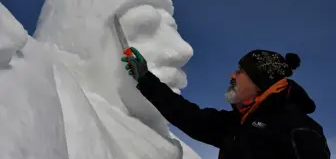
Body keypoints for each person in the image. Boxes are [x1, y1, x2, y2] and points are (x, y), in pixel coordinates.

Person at [121, 47, 331, 159]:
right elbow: (189, 116)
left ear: (260, 80)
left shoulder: (298, 128)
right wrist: (146, 79)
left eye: (240, 71)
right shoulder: (238, 124)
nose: (232, 75)